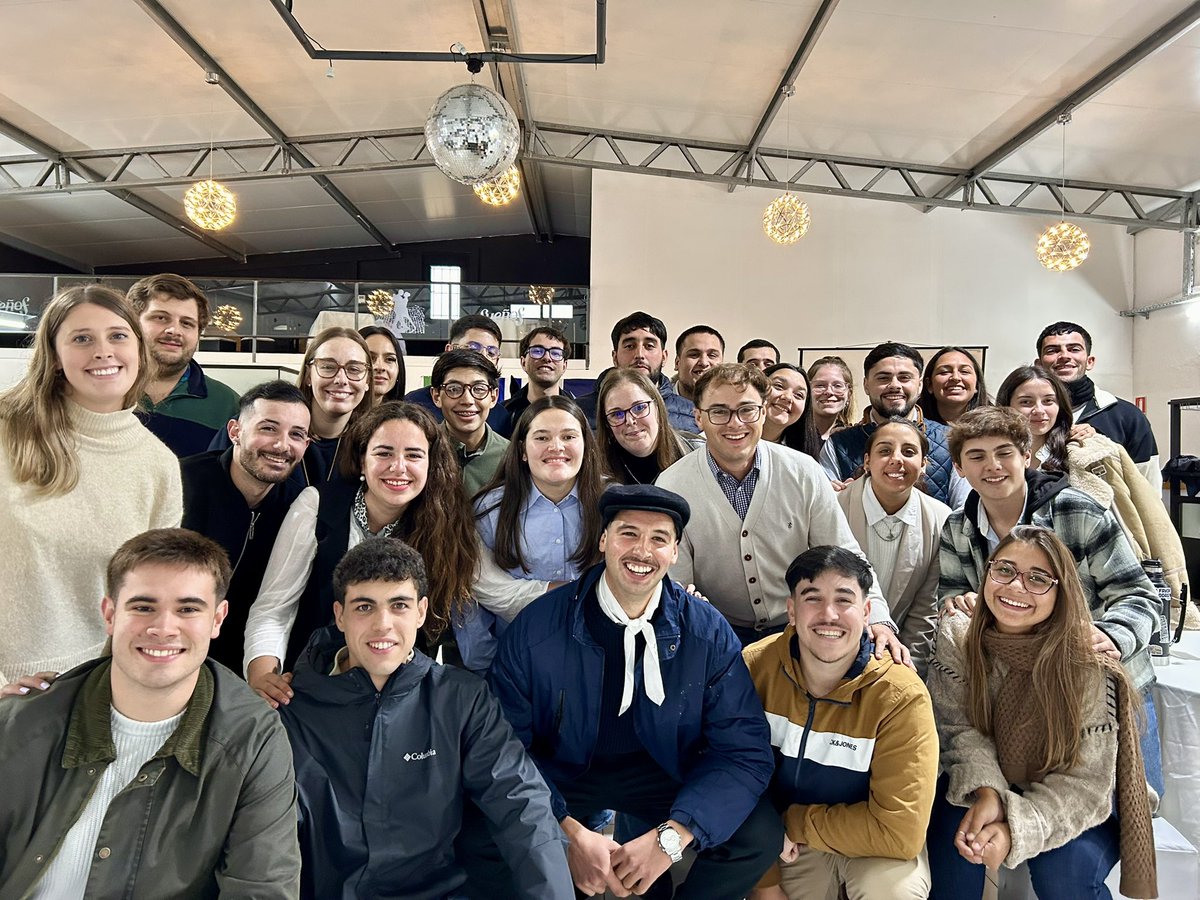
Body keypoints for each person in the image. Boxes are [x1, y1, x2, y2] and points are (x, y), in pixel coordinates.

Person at [488, 484, 781, 900]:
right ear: (604, 539)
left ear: (675, 552)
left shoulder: (706, 632)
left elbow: (743, 751)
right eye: (628, 533)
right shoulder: (537, 628)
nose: (642, 551)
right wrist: (562, 830)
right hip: (567, 770)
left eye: (659, 539)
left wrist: (672, 838)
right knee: (481, 827)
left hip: (666, 768)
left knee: (759, 832)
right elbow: (504, 747)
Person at [0, 529, 300, 898]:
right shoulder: (24, 720)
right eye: (143, 607)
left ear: (218, 619)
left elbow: (262, 888)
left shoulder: (253, 740)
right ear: (109, 614)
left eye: (187, 609)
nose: (163, 628)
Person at [278, 538, 574, 899]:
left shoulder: (462, 699)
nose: (382, 624)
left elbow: (523, 807)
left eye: (398, 605)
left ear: (421, 612)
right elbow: (265, 842)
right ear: (340, 615)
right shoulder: (290, 709)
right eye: (364, 607)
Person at [939, 406, 1162, 793]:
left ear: (1027, 456)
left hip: (1105, 683)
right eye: (976, 456)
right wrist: (959, 602)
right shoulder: (958, 527)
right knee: (1042, 804)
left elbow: (1139, 595)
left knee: (1131, 803)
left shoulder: (1077, 509)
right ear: (959, 468)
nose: (992, 466)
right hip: (1027, 690)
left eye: (1004, 453)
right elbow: (951, 594)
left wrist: (1113, 634)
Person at [926, 527, 1156, 900]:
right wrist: (988, 794)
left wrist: (1014, 828)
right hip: (985, 777)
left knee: (1064, 874)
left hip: (1082, 794)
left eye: (1037, 578)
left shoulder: (1085, 661)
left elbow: (1085, 783)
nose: (1016, 587)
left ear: (1061, 590)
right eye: (1004, 570)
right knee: (956, 856)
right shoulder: (957, 636)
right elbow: (959, 728)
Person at [0, 285, 182, 687]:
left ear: (139, 348)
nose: (103, 351)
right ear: (56, 356)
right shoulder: (6, 430)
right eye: (82, 339)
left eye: (118, 336)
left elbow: (146, 596)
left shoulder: (158, 466)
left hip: (90, 689)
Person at [656, 363, 904, 656]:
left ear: (763, 412)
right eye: (719, 411)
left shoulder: (803, 472)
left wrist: (878, 619)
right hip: (716, 632)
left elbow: (845, 554)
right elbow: (677, 585)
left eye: (747, 410)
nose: (735, 424)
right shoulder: (672, 485)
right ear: (699, 417)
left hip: (800, 626)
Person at [244, 401, 479, 702]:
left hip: (398, 693)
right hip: (311, 682)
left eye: (413, 455)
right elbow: (274, 609)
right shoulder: (317, 505)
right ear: (361, 459)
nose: (398, 466)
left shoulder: (448, 522)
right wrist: (264, 675)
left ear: (431, 465)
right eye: (383, 453)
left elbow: (491, 591)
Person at [744, 546, 937, 900]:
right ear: (791, 610)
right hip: (784, 841)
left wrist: (796, 822)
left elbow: (899, 833)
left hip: (869, 841)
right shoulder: (753, 669)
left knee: (891, 893)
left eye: (844, 600)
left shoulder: (901, 695)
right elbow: (731, 781)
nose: (829, 614)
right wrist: (765, 880)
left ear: (866, 612)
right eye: (812, 598)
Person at [998, 364, 1192, 629]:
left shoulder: (1087, 453)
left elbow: (1142, 515)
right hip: (1012, 581)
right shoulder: (992, 458)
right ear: (1006, 406)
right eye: (1026, 402)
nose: (1039, 410)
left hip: (1085, 584)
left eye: (1049, 401)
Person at [181, 379, 310, 673]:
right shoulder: (184, 483)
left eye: (296, 434)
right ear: (235, 432)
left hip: (246, 666)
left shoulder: (299, 507)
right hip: (177, 649)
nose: (281, 445)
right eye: (268, 428)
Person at [472, 397, 606, 646]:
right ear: (523, 450)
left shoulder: (612, 505)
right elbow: (476, 596)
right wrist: (486, 664)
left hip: (597, 651)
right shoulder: (489, 510)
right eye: (542, 437)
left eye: (568, 437)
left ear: (587, 445)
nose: (556, 447)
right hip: (515, 654)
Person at [836, 419, 951, 676]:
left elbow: (925, 609)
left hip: (896, 653)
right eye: (885, 451)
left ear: (924, 465)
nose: (896, 459)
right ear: (867, 461)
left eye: (909, 452)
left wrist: (907, 669)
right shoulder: (834, 507)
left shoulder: (940, 519)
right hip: (833, 642)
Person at [821, 342, 968, 508]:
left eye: (904, 378)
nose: (895, 385)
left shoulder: (950, 440)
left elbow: (962, 514)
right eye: (883, 378)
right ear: (866, 385)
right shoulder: (838, 444)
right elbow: (825, 512)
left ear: (919, 385)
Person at [1036, 321, 1161, 487]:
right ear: (1038, 365)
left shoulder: (1128, 417)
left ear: (1090, 361)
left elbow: (1148, 486)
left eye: (1074, 349)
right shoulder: (1023, 417)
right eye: (1053, 350)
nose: (1064, 356)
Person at [128, 273, 241, 457]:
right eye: (161, 318)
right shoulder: (100, 391)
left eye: (187, 323)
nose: (174, 331)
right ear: (133, 323)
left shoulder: (228, 405)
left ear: (198, 334)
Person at [404, 313, 512, 435]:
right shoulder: (413, 404)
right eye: (472, 348)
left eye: (491, 353)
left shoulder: (501, 417)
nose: (482, 357)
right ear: (450, 350)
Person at [595, 367, 703, 486]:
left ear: (657, 407)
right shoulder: (594, 469)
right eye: (616, 414)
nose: (630, 421)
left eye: (639, 407)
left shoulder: (698, 453)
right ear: (606, 424)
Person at [431, 348, 509, 496]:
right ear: (436, 396)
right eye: (454, 389)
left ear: (493, 397)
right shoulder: (422, 451)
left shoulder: (511, 458)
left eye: (479, 389)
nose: (467, 400)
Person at [607, 310, 698, 432]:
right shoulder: (582, 413)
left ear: (664, 357)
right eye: (629, 346)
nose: (639, 354)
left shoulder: (693, 417)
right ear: (615, 357)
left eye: (649, 346)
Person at [505, 325, 573, 423]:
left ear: (564, 366)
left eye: (555, 353)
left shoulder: (579, 413)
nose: (547, 358)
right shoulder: (504, 415)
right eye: (537, 351)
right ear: (523, 362)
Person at [917, 346, 989, 425]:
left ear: (977, 385)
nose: (955, 377)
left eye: (964, 371)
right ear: (929, 385)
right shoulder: (912, 425)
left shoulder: (994, 428)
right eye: (944, 372)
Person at [761, 363, 820, 458]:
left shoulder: (802, 458)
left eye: (798, 395)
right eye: (779, 386)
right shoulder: (732, 438)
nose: (788, 397)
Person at [806, 356, 857, 452]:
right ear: (807, 391)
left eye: (837, 386)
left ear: (849, 394)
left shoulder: (854, 440)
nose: (829, 392)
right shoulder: (790, 436)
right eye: (820, 385)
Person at [671, 325, 724, 403]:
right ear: (677, 363)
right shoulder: (653, 406)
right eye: (694, 354)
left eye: (712, 355)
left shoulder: (736, 405)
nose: (704, 363)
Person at [359, 323, 407, 401]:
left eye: (389, 359)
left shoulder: (406, 412)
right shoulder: (335, 411)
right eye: (370, 358)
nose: (380, 367)